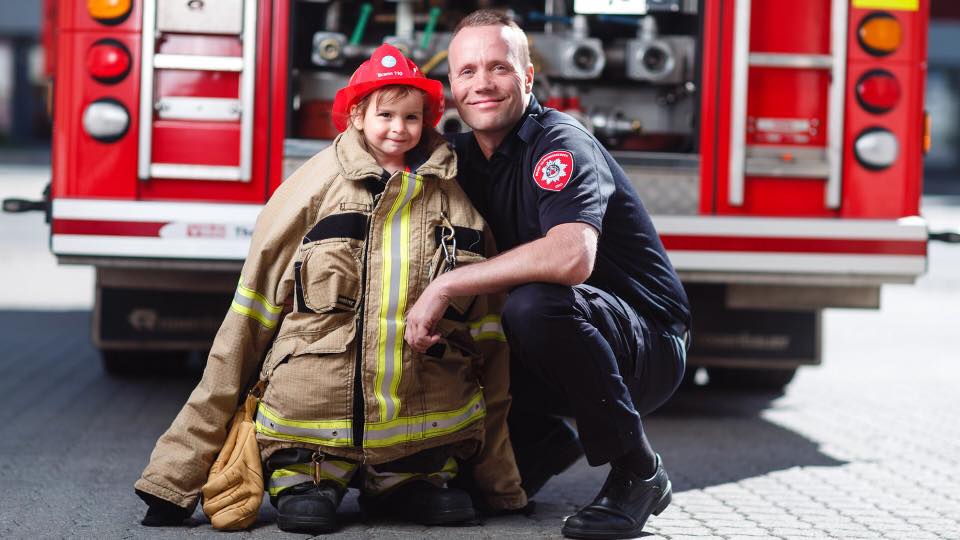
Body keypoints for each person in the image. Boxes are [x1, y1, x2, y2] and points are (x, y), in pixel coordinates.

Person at [134, 43, 526, 535]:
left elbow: (488, 341)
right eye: (385, 114)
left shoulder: (454, 200)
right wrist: (174, 480)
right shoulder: (313, 187)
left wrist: (501, 486)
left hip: (420, 429)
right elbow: (245, 326)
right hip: (311, 419)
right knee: (308, 509)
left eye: (412, 117)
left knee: (438, 485)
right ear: (356, 115)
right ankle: (307, 479)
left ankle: (403, 481)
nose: (399, 128)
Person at [404, 10, 691, 540]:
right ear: (451, 87)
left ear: (528, 77)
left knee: (533, 303)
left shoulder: (560, 144)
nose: (482, 84)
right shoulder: (462, 157)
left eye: (499, 68)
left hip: (645, 343)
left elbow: (571, 258)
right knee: (471, 489)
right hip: (559, 340)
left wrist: (443, 287)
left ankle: (638, 470)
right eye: (467, 72)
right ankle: (542, 442)